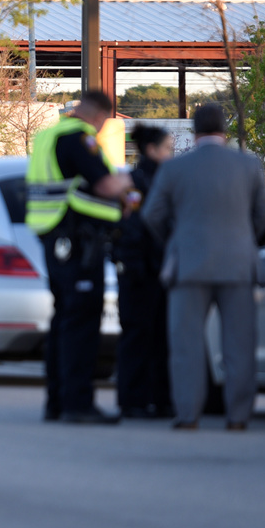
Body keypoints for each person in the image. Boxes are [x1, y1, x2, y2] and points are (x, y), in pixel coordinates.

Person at [140, 103, 265, 431]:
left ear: (193, 130)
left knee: (186, 344)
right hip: (238, 265)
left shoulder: (174, 169)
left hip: (189, 265)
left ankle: (188, 414)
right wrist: (244, 237)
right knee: (239, 345)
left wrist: (177, 238)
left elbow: (151, 215)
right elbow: (264, 215)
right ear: (224, 130)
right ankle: (238, 415)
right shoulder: (249, 165)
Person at [26, 91, 134, 425]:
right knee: (81, 322)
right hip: (76, 238)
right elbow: (104, 185)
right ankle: (77, 403)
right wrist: (133, 184)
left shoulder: (48, 136)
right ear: (100, 115)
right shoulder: (79, 139)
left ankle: (56, 402)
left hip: (53, 236)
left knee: (64, 319)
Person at [113, 124, 174, 419]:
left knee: (162, 337)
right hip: (139, 272)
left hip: (160, 270)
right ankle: (133, 400)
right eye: (168, 149)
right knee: (137, 335)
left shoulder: (164, 179)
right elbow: (130, 228)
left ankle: (161, 399)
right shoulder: (136, 182)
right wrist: (134, 266)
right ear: (151, 150)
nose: (171, 155)